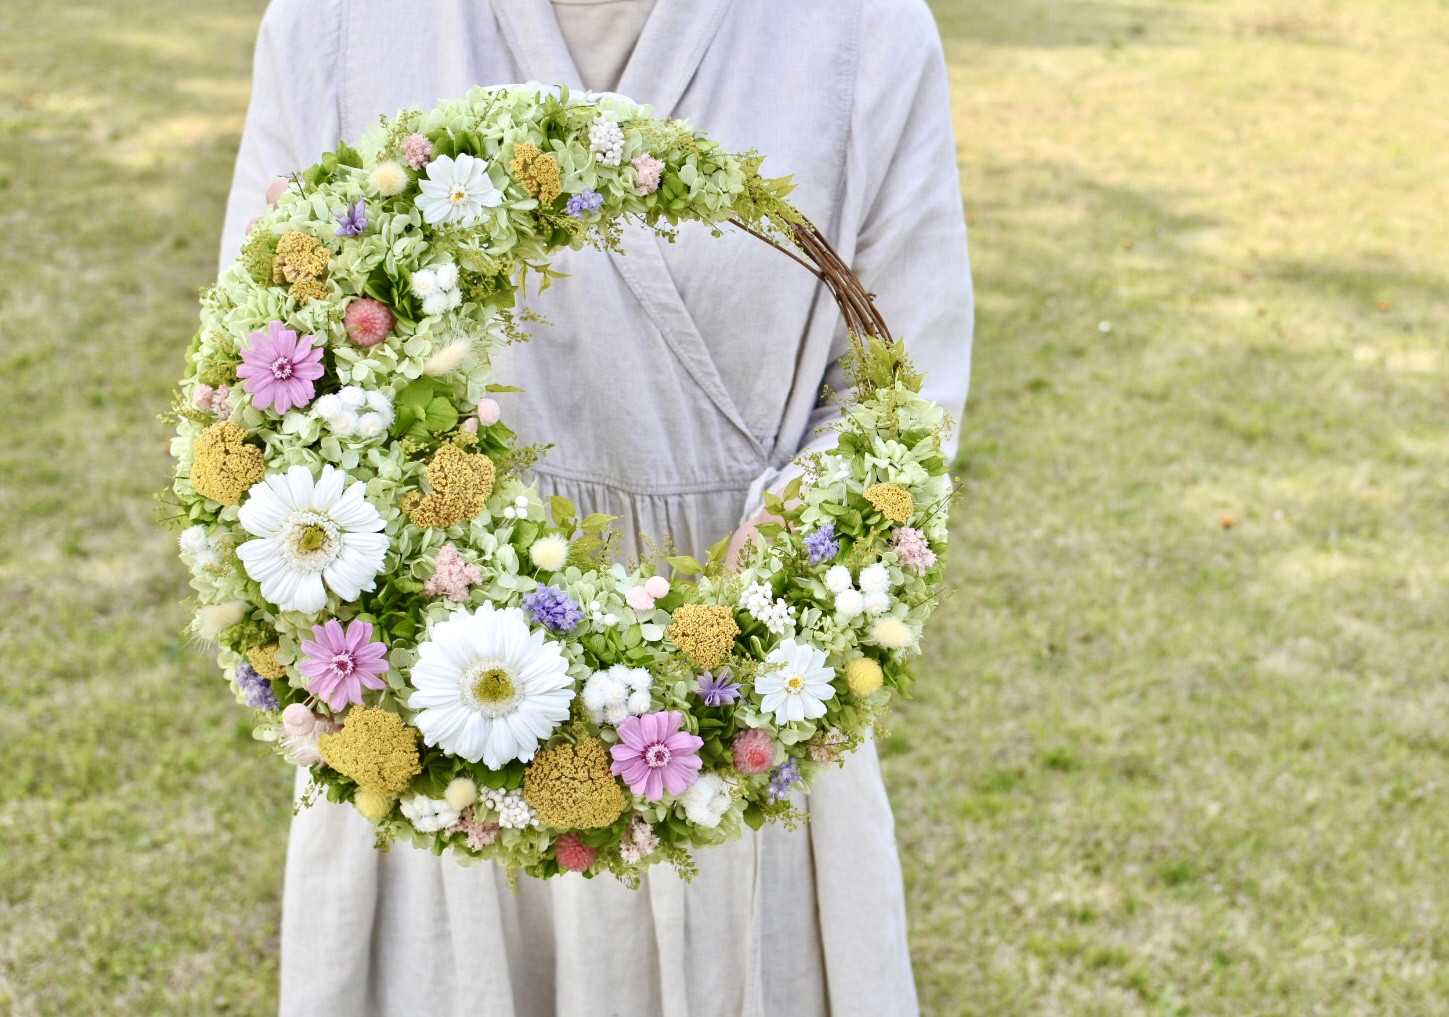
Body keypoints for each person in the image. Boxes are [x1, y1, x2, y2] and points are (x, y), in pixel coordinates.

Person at [219, 1, 972, 1014]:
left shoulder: (862, 33)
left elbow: (901, 383)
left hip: (731, 685)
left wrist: (769, 596)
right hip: (437, 669)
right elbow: (263, 373)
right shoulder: (337, 26)